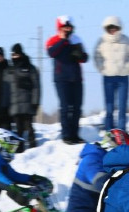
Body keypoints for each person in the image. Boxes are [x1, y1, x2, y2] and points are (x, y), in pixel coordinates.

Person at [46, 16, 88, 144]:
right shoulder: (53, 40)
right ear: (60, 28)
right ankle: (66, 135)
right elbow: (51, 53)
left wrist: (80, 55)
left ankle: (75, 134)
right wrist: (63, 41)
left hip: (76, 78)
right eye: (65, 27)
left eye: (69, 28)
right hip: (61, 79)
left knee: (77, 108)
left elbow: (85, 58)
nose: (67, 30)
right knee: (65, 107)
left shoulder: (76, 40)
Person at [94, 16, 129, 132]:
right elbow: (97, 57)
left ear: (119, 28)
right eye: (110, 28)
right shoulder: (101, 41)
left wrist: (127, 69)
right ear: (106, 28)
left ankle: (122, 132)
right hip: (108, 78)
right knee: (109, 107)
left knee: (122, 107)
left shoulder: (126, 40)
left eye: (115, 28)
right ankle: (109, 132)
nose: (112, 30)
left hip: (123, 78)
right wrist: (102, 68)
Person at [5, 43, 40, 150]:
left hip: (27, 103)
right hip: (14, 105)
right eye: (13, 55)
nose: (14, 57)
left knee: (29, 127)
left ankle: (34, 148)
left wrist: (35, 101)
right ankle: (19, 150)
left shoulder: (30, 68)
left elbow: (36, 86)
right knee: (18, 129)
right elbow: (6, 89)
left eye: (16, 54)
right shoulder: (9, 70)